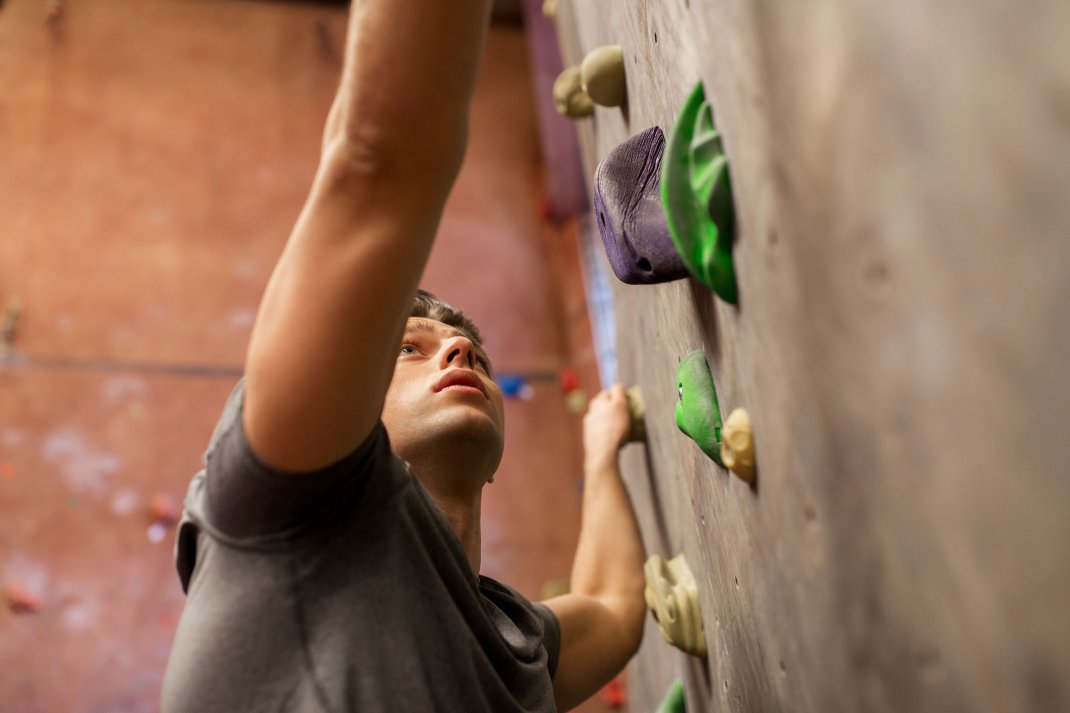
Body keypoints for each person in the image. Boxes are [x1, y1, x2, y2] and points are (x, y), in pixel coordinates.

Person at [161, 1, 646, 711]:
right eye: (407, 349)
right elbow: (377, 162)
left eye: (470, 350)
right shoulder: (287, 507)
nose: (456, 347)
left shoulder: (505, 638)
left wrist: (602, 457)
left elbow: (613, 607)